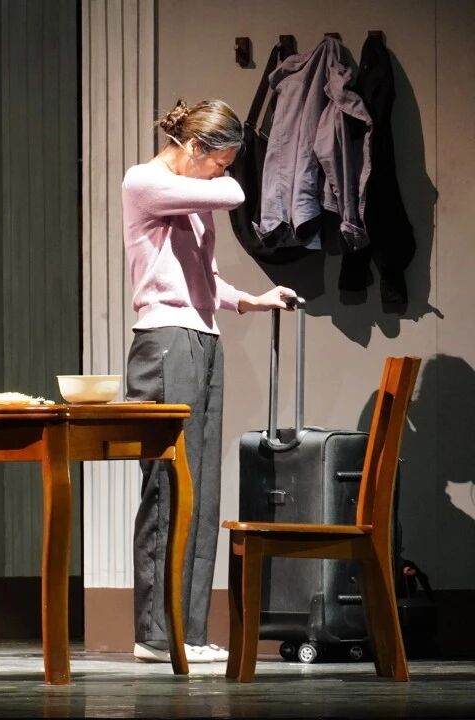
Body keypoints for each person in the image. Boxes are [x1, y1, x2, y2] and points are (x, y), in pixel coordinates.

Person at [121, 98, 294, 664]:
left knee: (201, 486)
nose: (223, 173)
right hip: (165, 341)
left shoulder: (192, 197)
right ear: (194, 147)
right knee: (169, 486)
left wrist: (249, 300)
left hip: (202, 336)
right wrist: (225, 179)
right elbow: (236, 194)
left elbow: (203, 277)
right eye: (219, 161)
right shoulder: (144, 182)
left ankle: (188, 633)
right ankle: (155, 634)